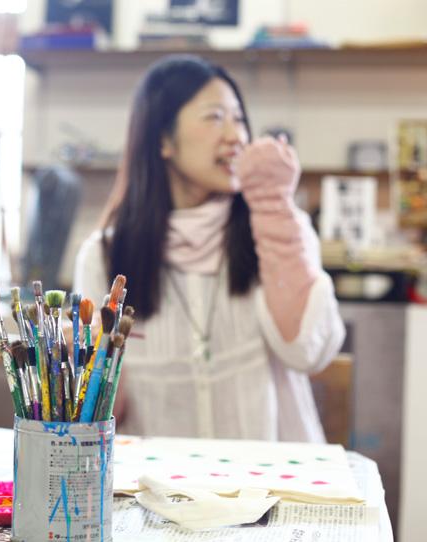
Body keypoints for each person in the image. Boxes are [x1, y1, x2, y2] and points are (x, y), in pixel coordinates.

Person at [74, 55, 345, 442]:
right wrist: (88, 362)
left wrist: (271, 204)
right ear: (163, 140)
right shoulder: (104, 257)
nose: (237, 135)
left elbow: (307, 351)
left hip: (268, 485)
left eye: (239, 119)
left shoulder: (276, 227)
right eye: (216, 117)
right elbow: (99, 417)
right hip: (160, 489)